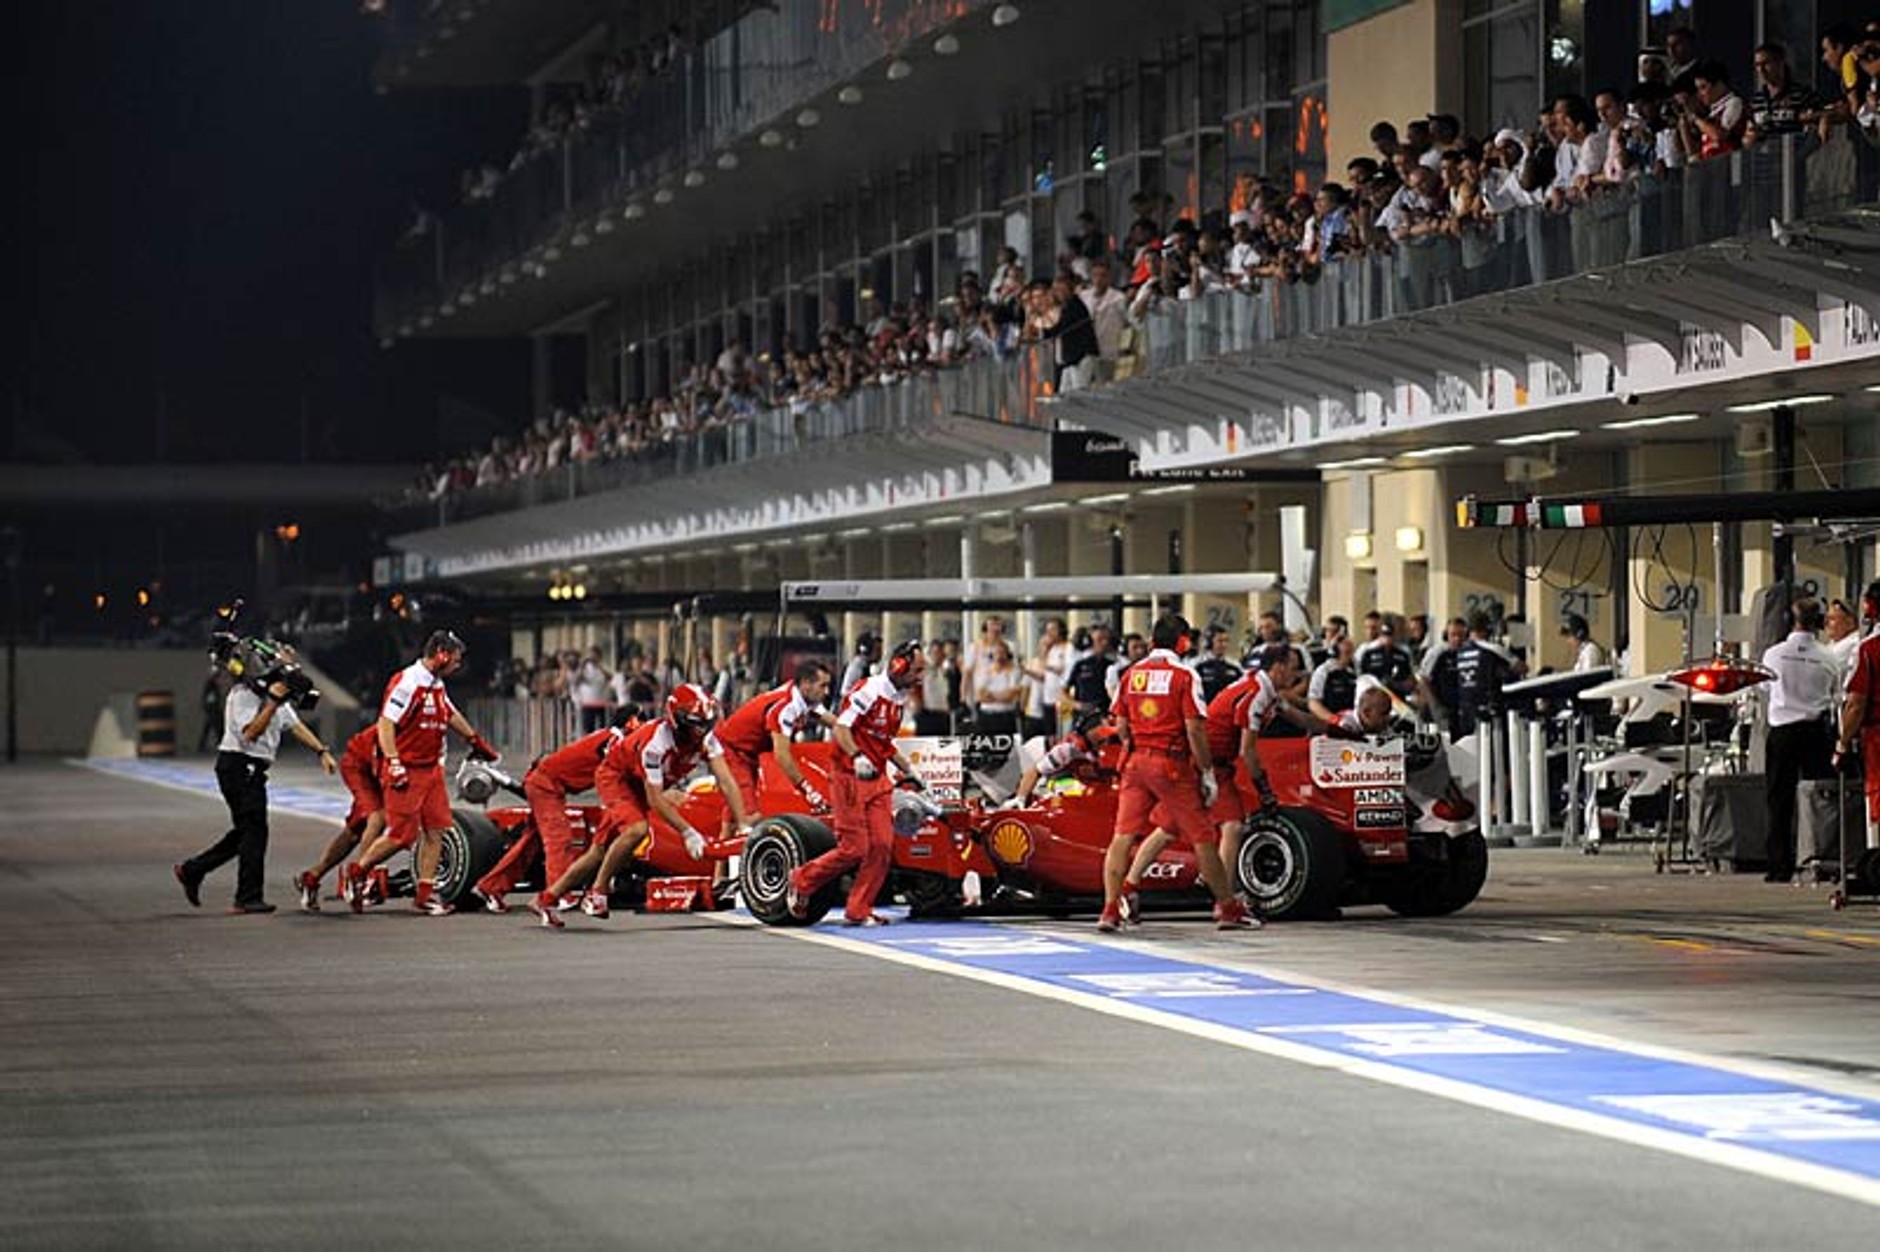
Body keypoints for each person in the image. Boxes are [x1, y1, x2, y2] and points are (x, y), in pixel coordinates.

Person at [530, 684, 754, 927]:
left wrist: (743, 822)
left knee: (599, 852)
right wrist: (688, 833)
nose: (701, 731)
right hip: (616, 778)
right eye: (696, 724)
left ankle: (547, 898)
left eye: (705, 724)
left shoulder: (707, 739)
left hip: (640, 781)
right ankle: (598, 892)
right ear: (677, 720)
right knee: (637, 830)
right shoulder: (656, 744)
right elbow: (655, 800)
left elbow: (727, 781)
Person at [1097, 614, 1255, 933]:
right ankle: (1227, 907)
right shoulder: (1185, 675)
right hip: (1171, 765)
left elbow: (1121, 725)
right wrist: (1207, 773)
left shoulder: (1131, 674)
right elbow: (1195, 729)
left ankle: (1111, 909)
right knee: (1203, 837)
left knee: (1122, 837)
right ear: (1183, 642)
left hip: (1135, 762)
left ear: (1153, 640)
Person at [340, 631, 500, 917]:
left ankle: (424, 895)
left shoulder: (436, 684)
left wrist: (476, 741)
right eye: (456, 659)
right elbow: (386, 724)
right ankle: (358, 871)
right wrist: (394, 762)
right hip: (408, 769)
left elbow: (450, 714)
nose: (458, 665)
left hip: (431, 769)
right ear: (441, 653)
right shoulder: (408, 682)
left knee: (436, 830)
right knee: (402, 835)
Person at [787, 640, 928, 927]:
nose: (920, 677)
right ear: (898, 666)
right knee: (855, 847)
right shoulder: (868, 691)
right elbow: (841, 728)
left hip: (876, 778)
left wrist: (910, 768)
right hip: (849, 775)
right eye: (917, 670)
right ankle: (801, 879)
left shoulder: (898, 698)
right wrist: (857, 755)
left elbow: (884, 743)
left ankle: (858, 909)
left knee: (881, 845)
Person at [174, 667, 336, 914]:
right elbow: (249, 734)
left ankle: (193, 870)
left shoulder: (278, 699)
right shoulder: (243, 694)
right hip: (238, 765)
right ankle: (247, 897)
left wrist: (321, 751)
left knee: (247, 831)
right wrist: (271, 703)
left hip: (251, 769)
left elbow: (295, 725)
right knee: (254, 830)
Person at [469, 705, 644, 915]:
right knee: (559, 839)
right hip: (547, 785)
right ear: (630, 722)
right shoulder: (615, 740)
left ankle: (489, 888)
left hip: (546, 782)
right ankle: (560, 894)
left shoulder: (608, 736)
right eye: (641, 721)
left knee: (531, 843)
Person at [1762, 598, 1840, 883]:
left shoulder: (1773, 655)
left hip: (1782, 731)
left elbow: (1764, 687)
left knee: (1778, 800)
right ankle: (1819, 858)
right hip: (1816, 733)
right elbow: (1837, 694)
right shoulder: (1828, 656)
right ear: (1819, 622)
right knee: (1819, 799)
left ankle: (1779, 865)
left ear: (1788, 620)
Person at [714, 660, 835, 833]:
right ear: (806, 685)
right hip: (733, 751)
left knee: (734, 813)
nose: (827, 692)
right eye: (823, 686)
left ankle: (720, 859)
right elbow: (782, 756)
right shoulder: (786, 707)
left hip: (746, 752)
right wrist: (809, 792)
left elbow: (836, 723)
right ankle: (746, 857)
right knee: (751, 819)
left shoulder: (804, 696)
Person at [294, 723, 386, 912]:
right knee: (377, 817)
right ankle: (359, 877)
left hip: (378, 768)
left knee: (354, 832)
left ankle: (311, 877)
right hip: (359, 765)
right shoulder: (394, 722)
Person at [1834, 581, 1880, 845]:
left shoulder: (1868, 649)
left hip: (1876, 736)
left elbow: (1856, 703)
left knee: (1877, 797)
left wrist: (1841, 744)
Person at [1007, 708, 1116, 807]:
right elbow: (1035, 771)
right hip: (1080, 793)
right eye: (1100, 739)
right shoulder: (1068, 749)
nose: (1106, 741)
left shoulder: (1122, 742)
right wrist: (1020, 798)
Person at [1454, 612, 1523, 738]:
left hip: (1466, 709)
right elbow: (1522, 668)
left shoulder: (1460, 652)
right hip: (1489, 709)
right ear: (1487, 628)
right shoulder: (1493, 648)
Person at [1066, 624, 1117, 716]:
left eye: (1107, 639)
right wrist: (1077, 705)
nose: (1104, 643)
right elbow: (1062, 691)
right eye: (1100, 639)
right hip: (1084, 716)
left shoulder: (1113, 664)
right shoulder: (1079, 664)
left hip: (1106, 714)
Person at [1307, 635, 1359, 722]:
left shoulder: (1353, 672)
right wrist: (1334, 719)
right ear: (1335, 652)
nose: (1351, 657)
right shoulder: (1322, 671)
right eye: (1347, 652)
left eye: (1351, 652)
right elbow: (1313, 703)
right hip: (1330, 721)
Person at [1194, 625, 1243, 703]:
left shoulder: (1235, 666)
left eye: (1226, 641)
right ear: (1209, 642)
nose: (1224, 645)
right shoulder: (1197, 665)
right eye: (1220, 641)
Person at [571, 646, 612, 734]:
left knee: (602, 729)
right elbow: (576, 681)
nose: (593, 658)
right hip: (587, 704)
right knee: (588, 729)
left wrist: (599, 666)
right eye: (591, 656)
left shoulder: (603, 667)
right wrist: (582, 666)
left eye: (595, 656)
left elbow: (610, 677)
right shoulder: (584, 669)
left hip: (601, 703)